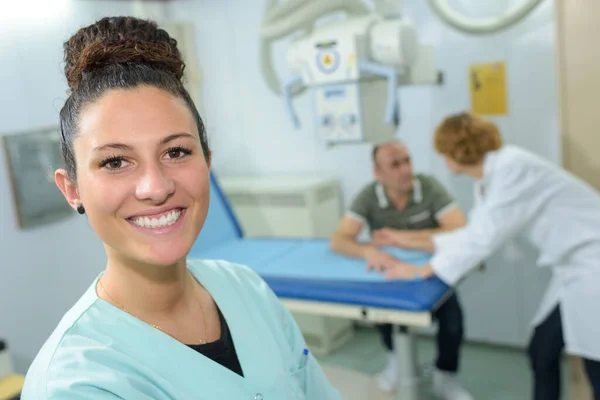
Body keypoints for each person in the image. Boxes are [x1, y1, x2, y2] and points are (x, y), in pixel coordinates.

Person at [21, 17, 339, 400]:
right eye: (115, 162)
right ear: (72, 190)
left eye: (176, 152)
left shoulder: (246, 289)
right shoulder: (77, 383)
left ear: (206, 161)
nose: (155, 187)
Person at [383, 112, 600, 400]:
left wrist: (422, 271)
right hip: (575, 269)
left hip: (593, 264)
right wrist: (410, 243)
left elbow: (483, 239)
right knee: (542, 350)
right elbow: (474, 232)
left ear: (455, 153)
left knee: (594, 362)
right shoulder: (491, 178)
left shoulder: (513, 168)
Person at [329, 140, 473, 400]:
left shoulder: (427, 186)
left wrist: (402, 237)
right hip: (393, 273)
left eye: (407, 160)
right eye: (395, 165)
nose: (405, 169)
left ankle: (445, 376)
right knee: (382, 315)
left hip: (430, 272)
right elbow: (339, 239)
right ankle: (396, 363)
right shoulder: (369, 195)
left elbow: (460, 229)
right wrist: (368, 251)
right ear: (378, 173)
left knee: (453, 322)